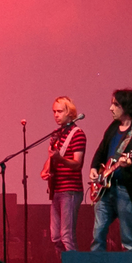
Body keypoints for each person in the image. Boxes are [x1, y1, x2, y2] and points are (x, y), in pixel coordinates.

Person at [89, 88, 132, 253]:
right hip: (105, 190)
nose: (111, 108)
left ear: (127, 107)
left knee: (128, 238)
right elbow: (101, 150)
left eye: (115, 104)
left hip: (126, 190)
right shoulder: (113, 128)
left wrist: (130, 162)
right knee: (98, 233)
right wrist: (94, 168)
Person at [41, 96, 86, 254]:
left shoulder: (77, 134)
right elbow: (51, 158)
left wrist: (60, 159)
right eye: (54, 111)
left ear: (69, 112)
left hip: (70, 191)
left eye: (59, 111)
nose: (56, 115)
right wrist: (45, 170)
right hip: (56, 190)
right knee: (56, 237)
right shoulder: (56, 134)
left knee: (67, 236)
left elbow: (78, 163)